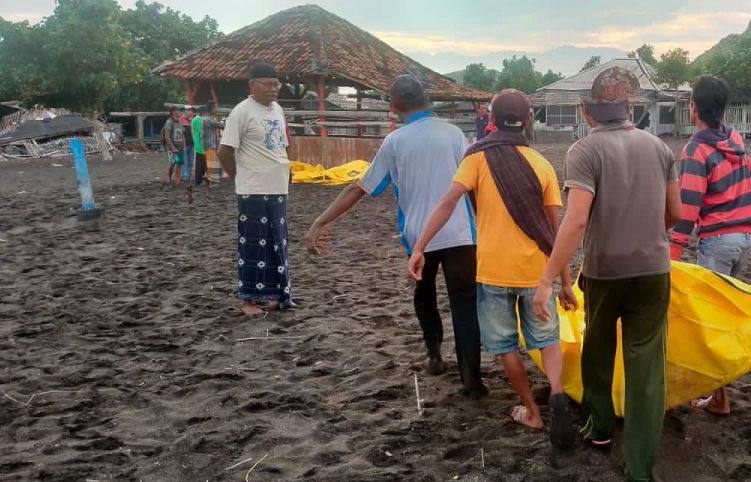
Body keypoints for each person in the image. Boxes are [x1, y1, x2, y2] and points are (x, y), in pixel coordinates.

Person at [532, 67, 682, 482]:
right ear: (629, 107)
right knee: (646, 368)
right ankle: (639, 469)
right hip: (653, 271)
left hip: (603, 270)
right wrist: (650, 234)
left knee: (597, 350)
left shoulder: (583, 151)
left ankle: (598, 430)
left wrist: (547, 280)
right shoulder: (660, 148)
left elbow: (576, 219)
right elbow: (676, 213)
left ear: (587, 110)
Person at [408, 90, 578, 447]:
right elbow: (553, 231)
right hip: (536, 273)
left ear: (492, 120)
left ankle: (531, 410)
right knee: (547, 341)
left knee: (505, 347)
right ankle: (558, 394)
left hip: (492, 273)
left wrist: (420, 246)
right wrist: (564, 281)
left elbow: (448, 201)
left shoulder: (476, 158)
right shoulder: (541, 163)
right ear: (528, 120)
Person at [305, 74, 486, 397]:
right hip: (460, 234)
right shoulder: (454, 134)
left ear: (393, 107)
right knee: (465, 304)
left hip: (419, 237)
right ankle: (471, 379)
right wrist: (482, 224)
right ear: (428, 101)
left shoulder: (395, 142)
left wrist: (321, 221)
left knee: (424, 294)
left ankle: (433, 355)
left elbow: (359, 188)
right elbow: (472, 185)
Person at [670, 75, 751, 415]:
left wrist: (673, 252)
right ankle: (719, 396)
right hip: (745, 238)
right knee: (720, 314)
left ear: (693, 108)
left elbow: (688, 205)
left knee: (709, 321)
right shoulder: (735, 138)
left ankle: (718, 398)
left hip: (718, 241)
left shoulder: (696, 150)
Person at [219, 63, 293, 317]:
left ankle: (276, 295)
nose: (275, 89)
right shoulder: (241, 112)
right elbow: (224, 151)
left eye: (277, 84)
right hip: (253, 188)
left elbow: (283, 144)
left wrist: (287, 171)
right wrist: (238, 177)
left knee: (277, 242)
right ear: (252, 85)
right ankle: (248, 301)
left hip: (277, 187)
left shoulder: (278, 110)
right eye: (268, 84)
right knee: (252, 245)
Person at [160, 107, 185, 184]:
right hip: (172, 147)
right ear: (173, 112)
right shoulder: (169, 122)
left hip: (180, 146)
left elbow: (182, 135)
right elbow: (167, 136)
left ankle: (177, 179)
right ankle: (169, 177)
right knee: (172, 163)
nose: (179, 112)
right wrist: (172, 147)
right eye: (178, 111)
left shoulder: (179, 122)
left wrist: (184, 146)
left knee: (180, 162)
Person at [179, 107, 196, 183]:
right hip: (184, 144)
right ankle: (183, 175)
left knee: (191, 160)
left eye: (192, 111)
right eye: (189, 110)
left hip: (192, 144)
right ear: (185, 111)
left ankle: (188, 175)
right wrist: (183, 145)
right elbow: (180, 134)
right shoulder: (180, 120)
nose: (191, 112)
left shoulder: (192, 120)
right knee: (184, 160)